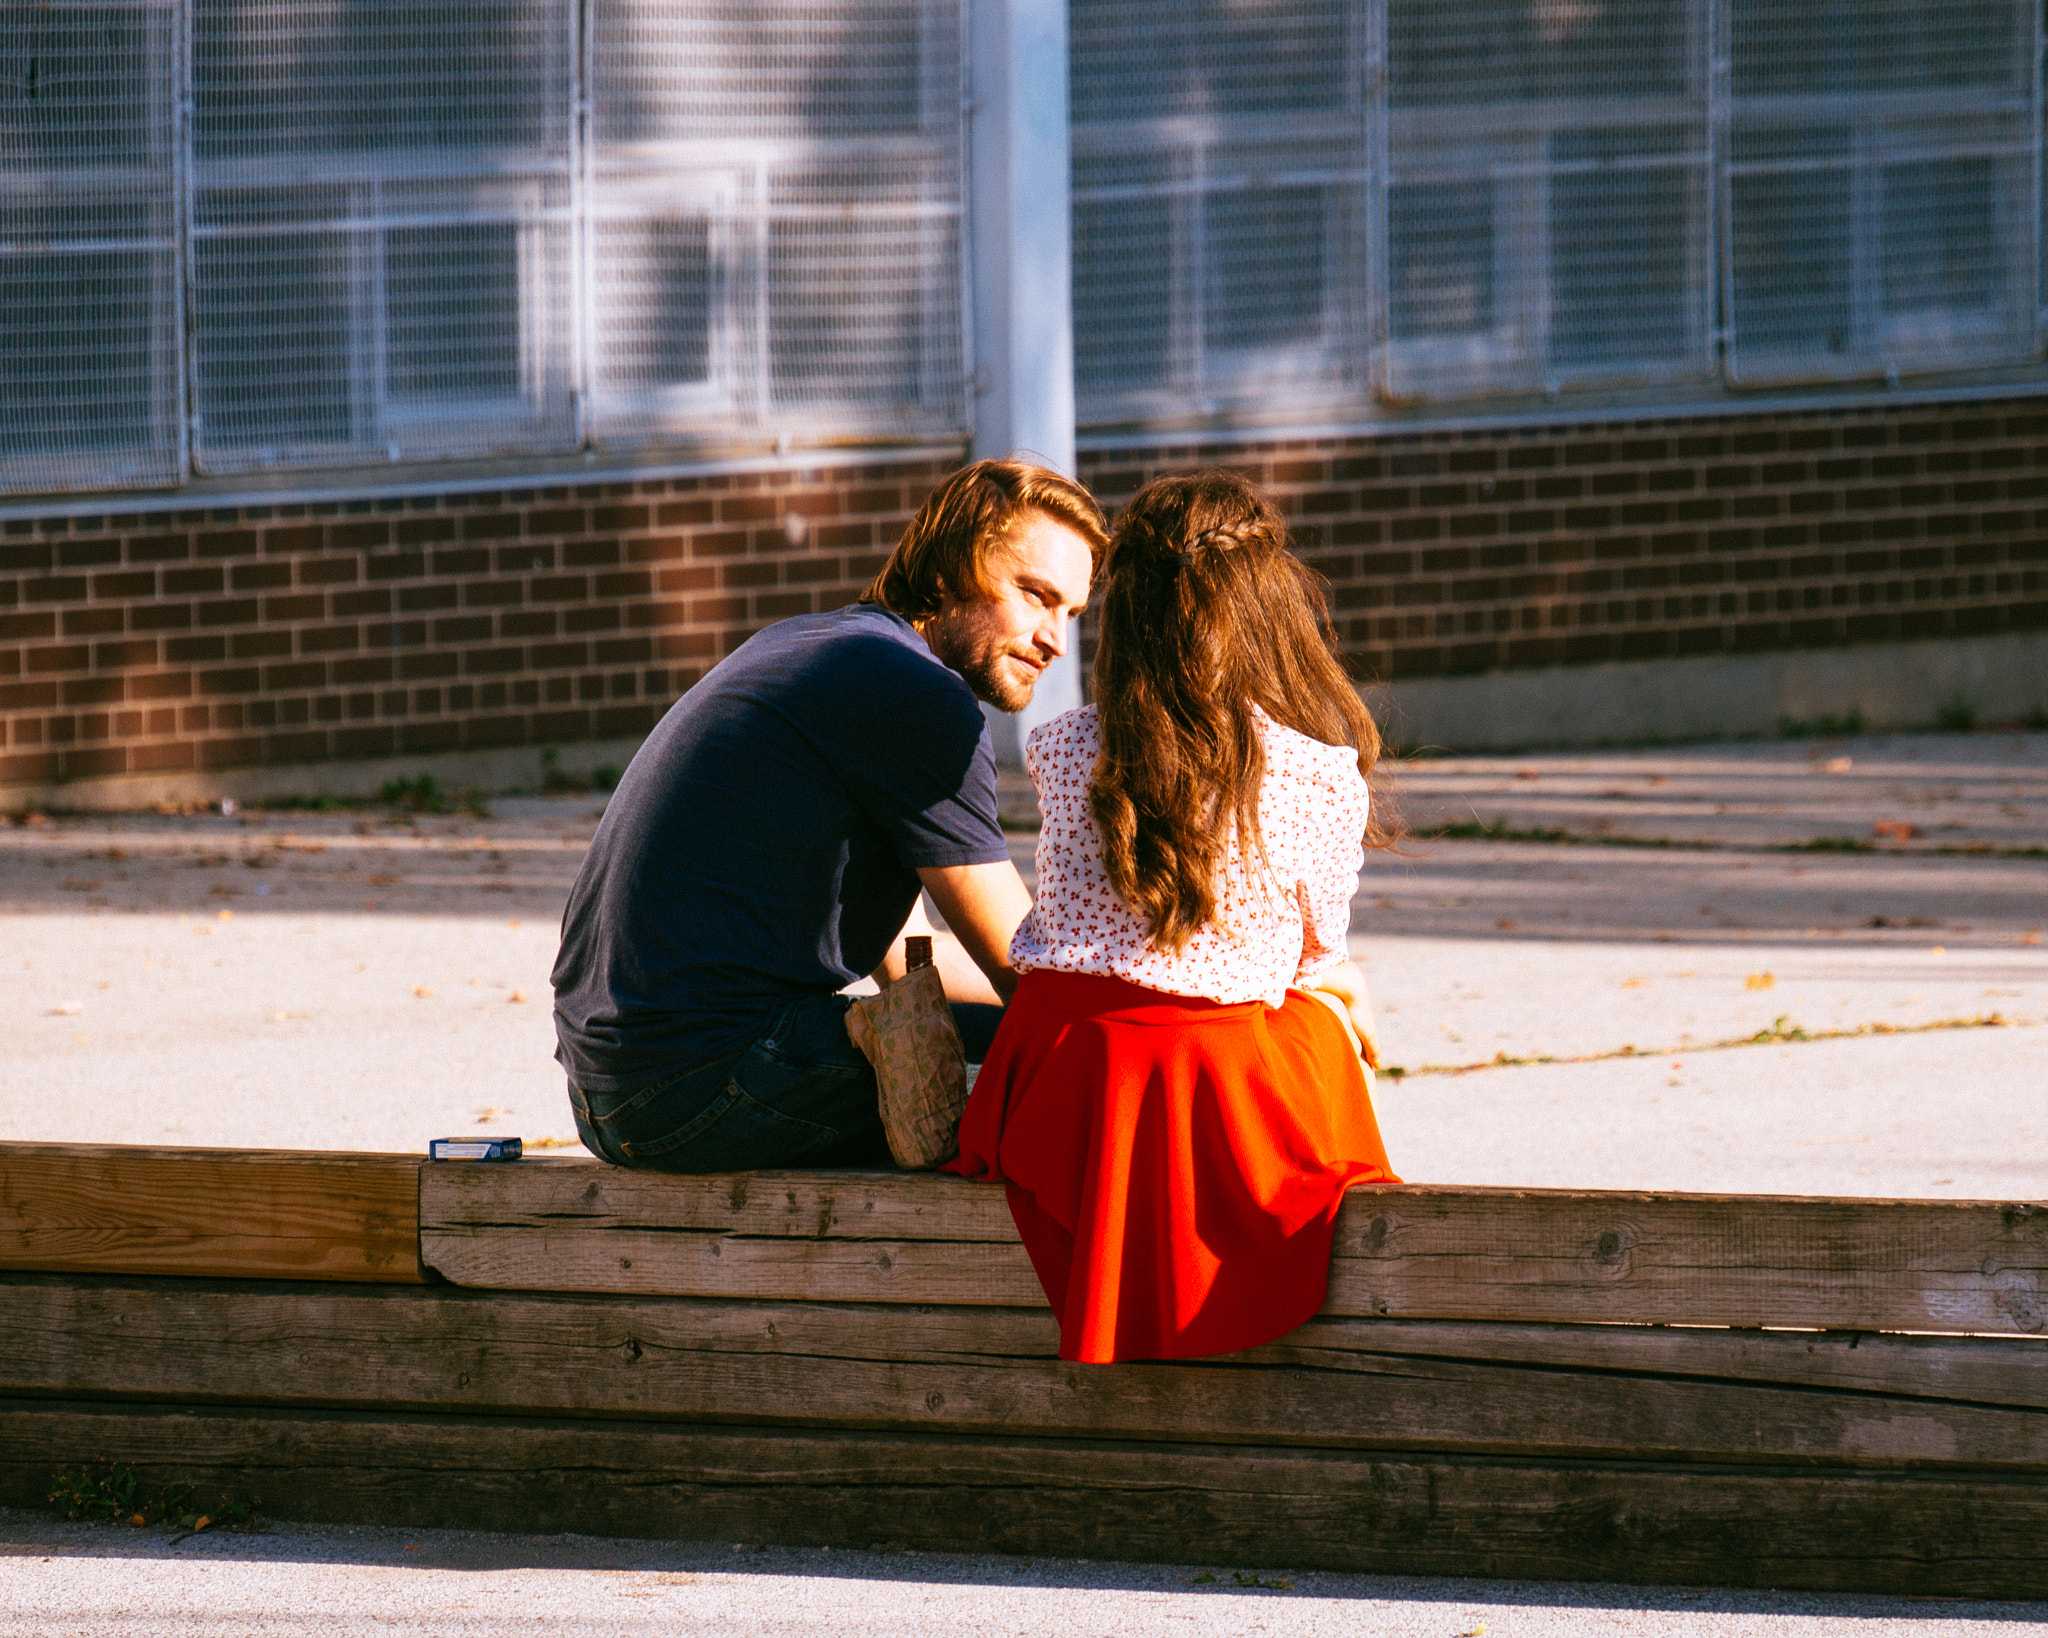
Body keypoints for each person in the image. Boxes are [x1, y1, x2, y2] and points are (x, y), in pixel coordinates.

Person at [944, 469, 1398, 1363]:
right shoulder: (1312, 772)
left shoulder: (1065, 746)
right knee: (1325, 1022)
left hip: (1065, 1065)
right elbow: (1312, 957)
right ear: (1271, 609)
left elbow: (1084, 925)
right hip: (1204, 1074)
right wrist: (1347, 989)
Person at [551, 459, 1106, 1172]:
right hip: (704, 1087)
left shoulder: (821, 648)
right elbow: (1026, 972)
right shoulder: (920, 700)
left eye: (1072, 613)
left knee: (1019, 1049)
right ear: (945, 575)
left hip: (613, 1090)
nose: (1055, 640)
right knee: (1070, 1086)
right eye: (1034, 596)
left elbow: (911, 965)